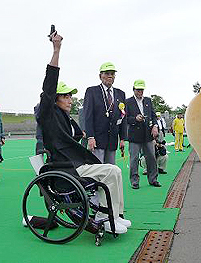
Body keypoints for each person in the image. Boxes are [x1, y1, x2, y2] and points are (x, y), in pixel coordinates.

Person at [38, 32, 131, 234]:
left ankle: (114, 215)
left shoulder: (67, 118)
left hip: (78, 164)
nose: (71, 100)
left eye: (71, 96)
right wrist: (56, 50)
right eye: (66, 96)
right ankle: (104, 216)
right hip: (66, 169)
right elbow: (49, 86)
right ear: (55, 99)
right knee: (110, 171)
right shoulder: (48, 114)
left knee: (114, 170)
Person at [83, 62, 127, 164]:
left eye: (112, 73)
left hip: (112, 139)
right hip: (97, 139)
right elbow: (88, 116)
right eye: (107, 73)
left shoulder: (120, 94)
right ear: (100, 76)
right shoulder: (92, 91)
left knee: (110, 169)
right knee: (98, 169)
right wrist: (90, 137)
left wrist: (122, 138)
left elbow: (123, 116)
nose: (110, 76)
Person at [126, 79, 160, 189]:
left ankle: (153, 179)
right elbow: (125, 118)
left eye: (142, 90)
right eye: (138, 90)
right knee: (134, 159)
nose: (140, 92)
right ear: (133, 89)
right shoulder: (128, 102)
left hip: (148, 135)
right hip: (134, 136)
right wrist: (135, 119)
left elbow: (153, 115)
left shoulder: (148, 101)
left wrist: (155, 126)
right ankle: (134, 181)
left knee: (151, 157)